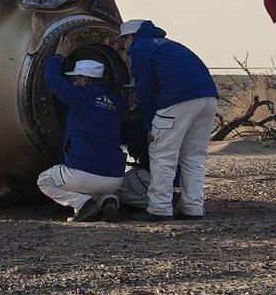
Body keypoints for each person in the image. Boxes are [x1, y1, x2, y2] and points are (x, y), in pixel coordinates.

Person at [119, 19, 218, 221]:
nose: (123, 46)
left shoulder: (140, 47)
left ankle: (160, 208)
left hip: (177, 100)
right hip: (209, 99)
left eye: (123, 40)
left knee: (163, 154)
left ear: (130, 37)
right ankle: (193, 208)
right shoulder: (169, 45)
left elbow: (144, 89)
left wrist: (148, 124)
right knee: (193, 157)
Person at [36, 48, 127, 222]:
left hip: (83, 173)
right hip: (115, 178)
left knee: (44, 180)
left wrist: (58, 57)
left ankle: (83, 203)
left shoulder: (79, 96)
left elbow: (52, 79)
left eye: (74, 79)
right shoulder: (117, 103)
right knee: (95, 186)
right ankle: (108, 200)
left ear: (85, 80)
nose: (72, 83)